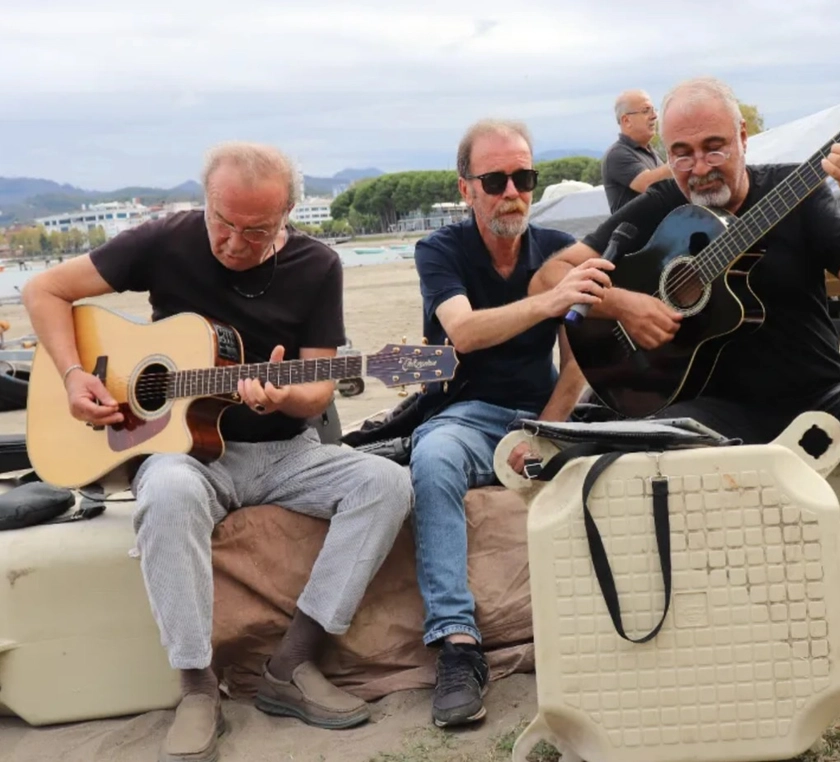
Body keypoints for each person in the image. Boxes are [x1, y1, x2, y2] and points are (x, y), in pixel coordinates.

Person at [22, 142, 414, 761]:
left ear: (286, 215)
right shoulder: (165, 240)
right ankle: (197, 686)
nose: (233, 242)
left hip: (285, 452)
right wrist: (74, 375)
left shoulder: (317, 266)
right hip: (188, 455)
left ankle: (293, 664)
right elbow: (44, 289)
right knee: (167, 490)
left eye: (255, 231)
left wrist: (285, 397)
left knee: (387, 484)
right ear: (205, 200)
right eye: (222, 221)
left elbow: (317, 388)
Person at [530, 76, 840, 673]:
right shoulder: (661, 206)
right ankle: (693, 626)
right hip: (711, 408)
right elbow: (547, 280)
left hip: (816, 394)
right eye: (681, 152)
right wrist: (624, 304)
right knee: (644, 448)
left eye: (713, 147)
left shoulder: (797, 191)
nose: (699, 167)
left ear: (743, 138)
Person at [410, 118, 615, 727]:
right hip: (467, 416)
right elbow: (464, 332)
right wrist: (550, 299)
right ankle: (457, 645)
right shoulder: (440, 250)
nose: (511, 193)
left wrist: (543, 432)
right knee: (434, 458)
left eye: (523, 178)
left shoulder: (557, 247)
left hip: (545, 413)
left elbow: (578, 366)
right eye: (494, 180)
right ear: (465, 188)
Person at [602, 89, 672, 213]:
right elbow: (650, 185)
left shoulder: (652, 153)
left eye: (653, 110)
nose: (654, 116)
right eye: (646, 111)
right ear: (626, 120)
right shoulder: (617, 154)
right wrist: (682, 160)